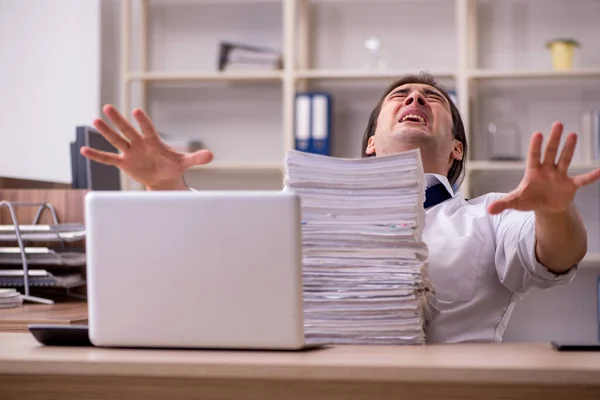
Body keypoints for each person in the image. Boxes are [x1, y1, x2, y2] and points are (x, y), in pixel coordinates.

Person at [81, 72, 597, 343]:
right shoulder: (304, 207)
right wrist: (166, 186)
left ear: (456, 149)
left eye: (431, 99)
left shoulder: (489, 216)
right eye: (402, 96)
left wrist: (553, 211)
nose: (415, 100)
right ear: (371, 141)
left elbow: (556, 256)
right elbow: (224, 242)